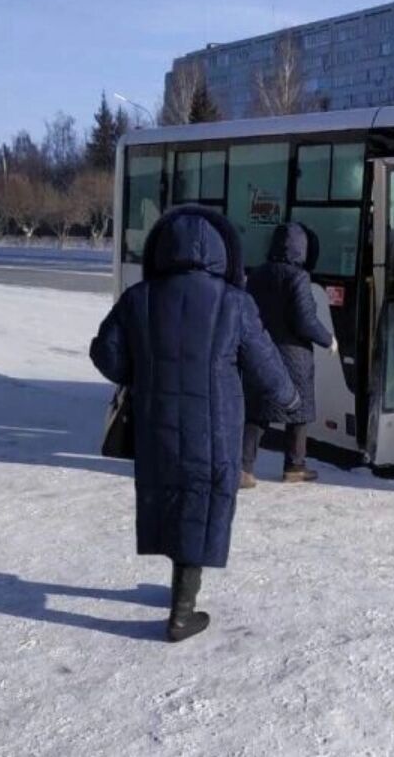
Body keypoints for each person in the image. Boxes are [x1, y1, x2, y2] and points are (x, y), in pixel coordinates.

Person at [89, 206, 298, 643]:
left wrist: (142, 369)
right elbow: (267, 369)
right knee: (201, 501)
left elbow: (105, 355)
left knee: (171, 496)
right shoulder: (234, 303)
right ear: (224, 253)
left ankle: (179, 592)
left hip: (155, 425)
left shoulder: (138, 298)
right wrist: (290, 400)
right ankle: (181, 613)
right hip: (216, 426)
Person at [242, 222, 337, 488]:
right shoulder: (298, 277)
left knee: (258, 410)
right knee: (299, 410)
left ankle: (243, 467)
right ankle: (295, 466)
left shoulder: (258, 274)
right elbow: (304, 320)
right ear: (301, 249)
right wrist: (327, 339)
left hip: (261, 351)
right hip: (294, 356)